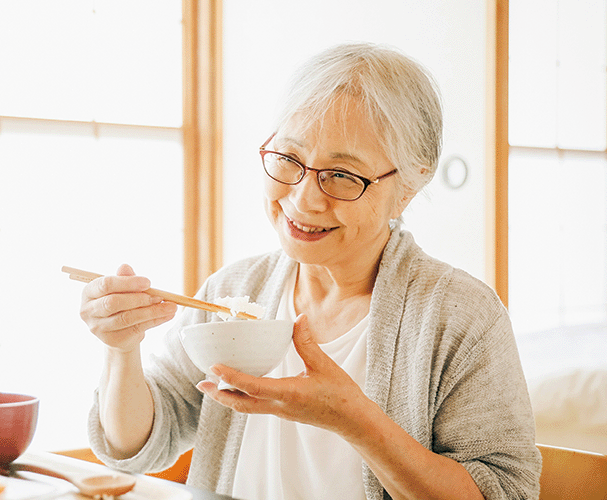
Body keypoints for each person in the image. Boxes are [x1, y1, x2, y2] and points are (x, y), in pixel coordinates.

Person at [77, 42, 540, 500]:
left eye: (341, 175)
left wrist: (354, 420)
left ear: (407, 189)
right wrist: (122, 350)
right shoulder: (234, 290)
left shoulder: (462, 317)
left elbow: (505, 492)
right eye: (289, 160)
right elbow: (138, 444)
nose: (303, 200)